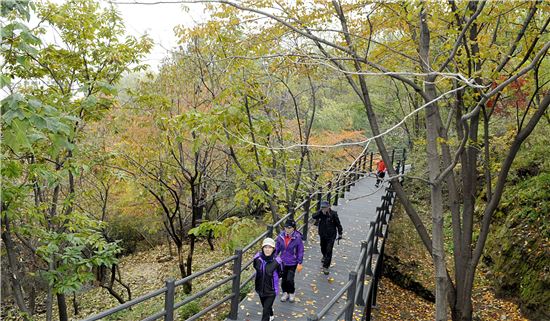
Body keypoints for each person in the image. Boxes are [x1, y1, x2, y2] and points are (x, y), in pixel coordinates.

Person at [253, 238, 283, 321]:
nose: (267, 249)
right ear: (262, 248)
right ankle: (271, 314)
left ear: (273, 249)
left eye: (270, 247)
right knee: (265, 306)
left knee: (265, 311)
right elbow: (256, 268)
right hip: (260, 289)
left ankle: (268, 315)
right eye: (265, 247)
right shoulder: (257, 258)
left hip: (271, 291)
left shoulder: (277, 261)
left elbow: (280, 273)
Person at [275, 219, 304, 302]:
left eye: (289, 228)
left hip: (292, 262)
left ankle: (291, 292)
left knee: (290, 279)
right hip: (283, 261)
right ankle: (285, 292)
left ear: (293, 228)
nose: (287, 229)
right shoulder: (281, 236)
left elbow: (300, 250)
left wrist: (299, 262)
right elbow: (277, 247)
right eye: (286, 227)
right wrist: (274, 257)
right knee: (284, 279)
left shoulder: (297, 238)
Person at [312, 201, 343, 275]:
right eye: (322, 207)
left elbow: (338, 224)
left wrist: (340, 233)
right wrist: (320, 212)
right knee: (322, 247)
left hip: (331, 235)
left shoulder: (334, 214)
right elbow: (313, 216)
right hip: (322, 234)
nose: (324, 209)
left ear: (329, 207)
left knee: (329, 250)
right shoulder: (320, 213)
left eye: (325, 207)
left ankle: (326, 266)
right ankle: (324, 256)